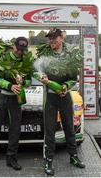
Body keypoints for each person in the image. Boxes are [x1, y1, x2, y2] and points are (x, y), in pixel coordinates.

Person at [34, 28, 85, 176]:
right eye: (50, 39)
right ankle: (49, 160)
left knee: (69, 128)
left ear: (61, 38)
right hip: (50, 97)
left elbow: (73, 79)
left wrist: (66, 86)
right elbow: (35, 69)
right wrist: (41, 76)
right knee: (49, 130)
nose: (51, 41)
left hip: (65, 97)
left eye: (54, 38)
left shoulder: (70, 56)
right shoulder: (44, 54)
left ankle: (74, 157)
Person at [0, 37, 33, 173]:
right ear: (13, 46)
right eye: (18, 49)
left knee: (15, 130)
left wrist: (23, 82)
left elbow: (29, 82)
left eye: (22, 50)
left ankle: (11, 158)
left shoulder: (26, 60)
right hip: (1, 97)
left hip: (16, 100)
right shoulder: (2, 57)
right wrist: (10, 85)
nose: (19, 52)